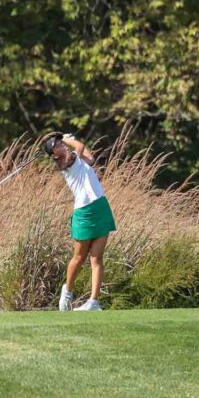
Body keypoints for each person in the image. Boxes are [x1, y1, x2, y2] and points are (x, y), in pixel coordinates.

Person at [43, 132, 117, 311]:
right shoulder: (65, 163)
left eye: (61, 143)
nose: (61, 145)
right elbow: (80, 147)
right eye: (57, 145)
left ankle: (93, 302)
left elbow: (90, 158)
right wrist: (70, 139)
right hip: (84, 213)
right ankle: (67, 291)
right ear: (54, 155)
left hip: (100, 207)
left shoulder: (76, 158)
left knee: (96, 257)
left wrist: (69, 141)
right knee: (79, 257)